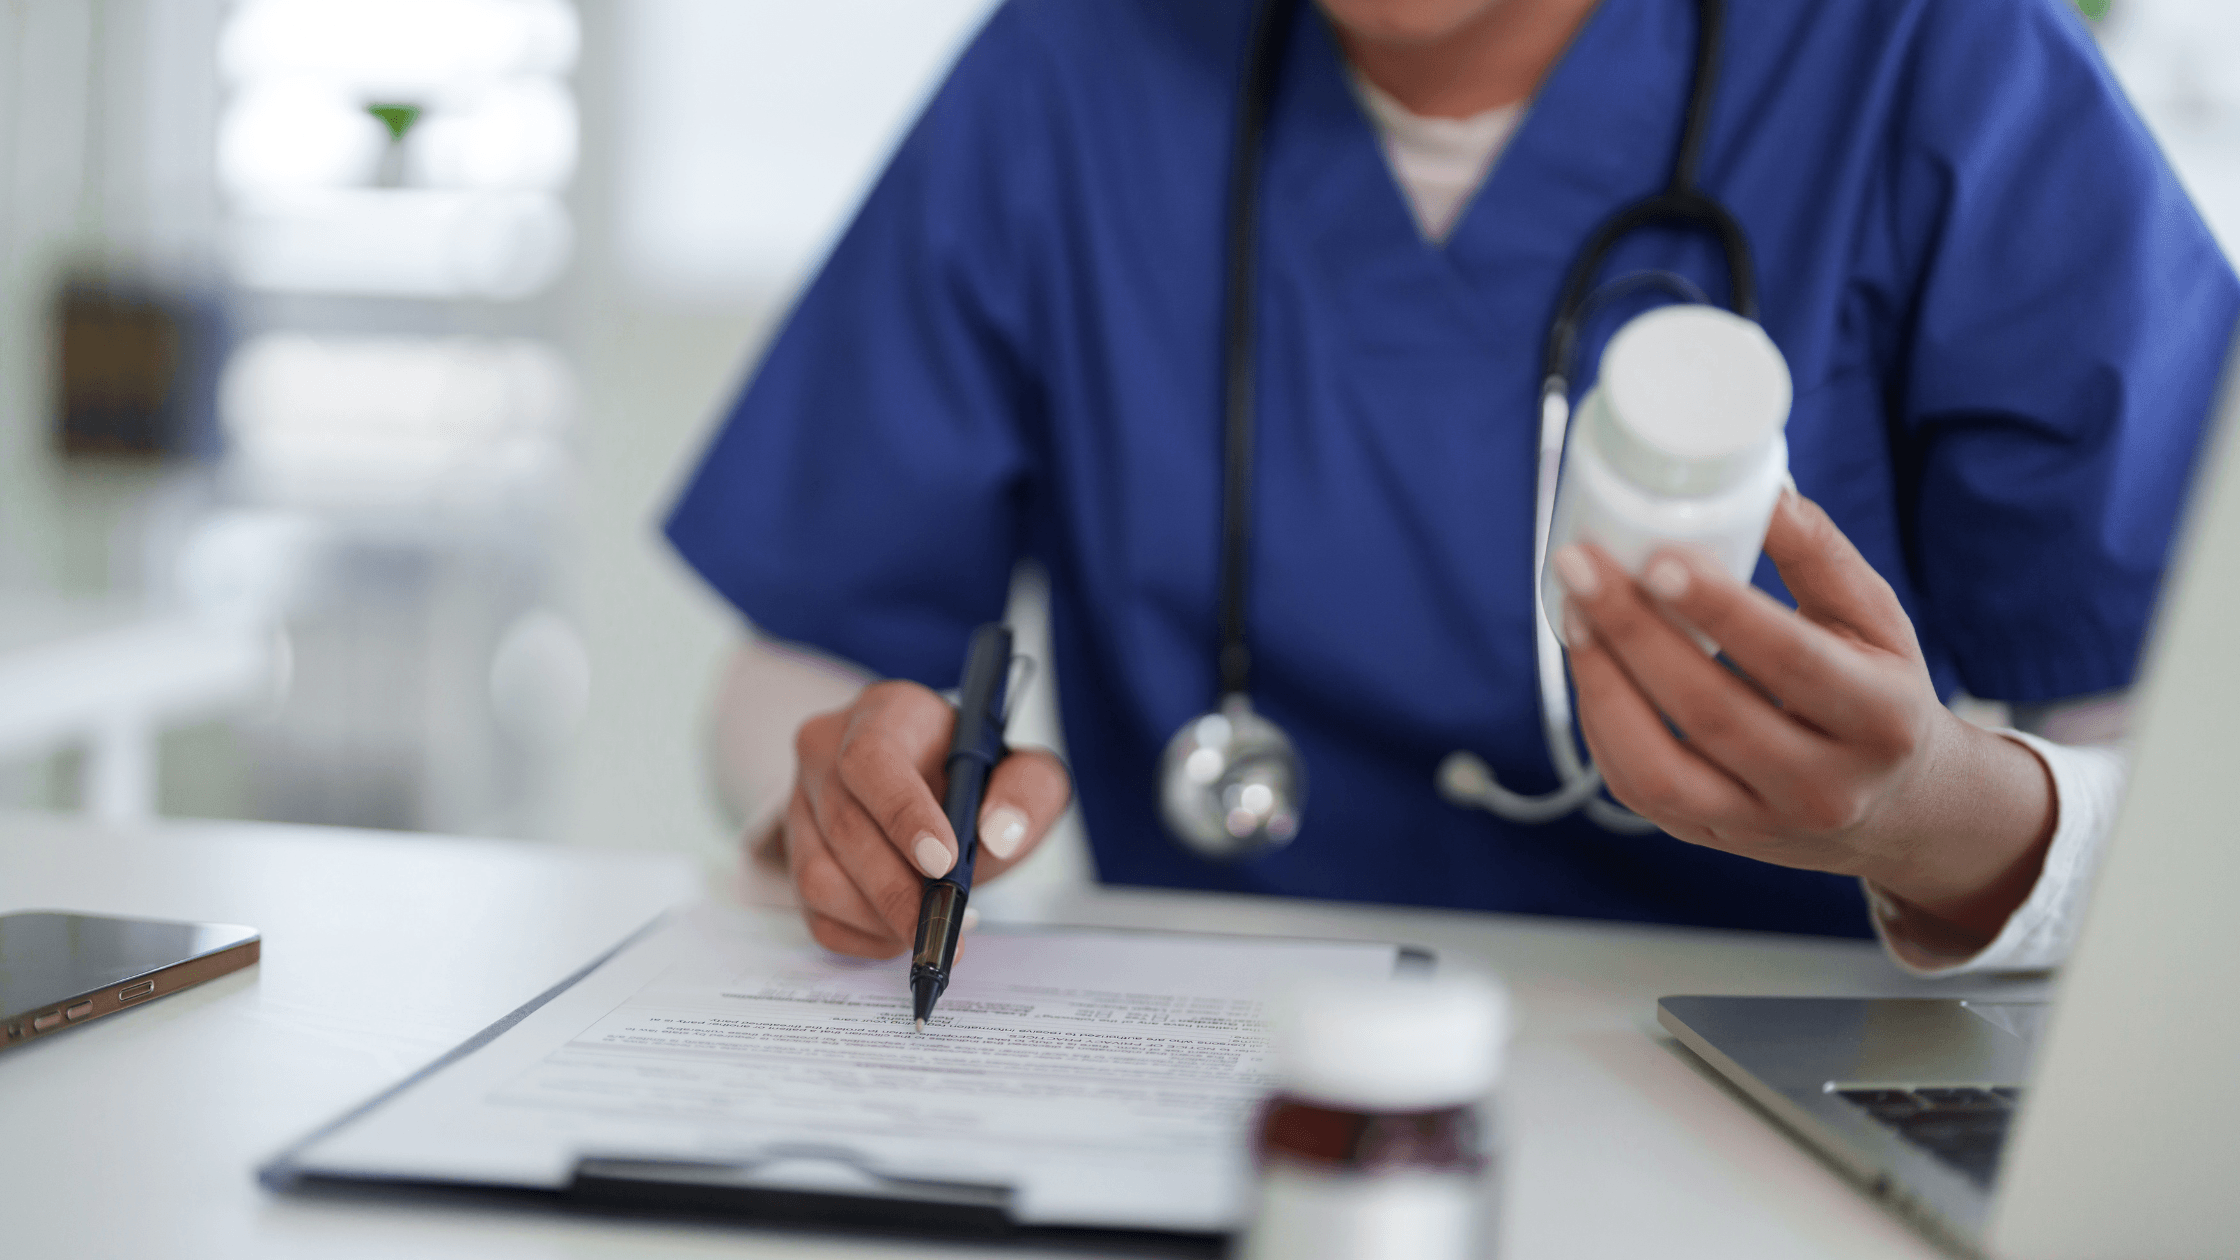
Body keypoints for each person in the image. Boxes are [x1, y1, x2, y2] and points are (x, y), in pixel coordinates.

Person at [665, 0, 2237, 974]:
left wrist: (1943, 824)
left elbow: (2189, 812)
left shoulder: (1939, 55)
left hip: (1785, 1098)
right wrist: (851, 806)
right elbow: (808, 653)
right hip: (1223, 1079)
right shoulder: (1073, 63)